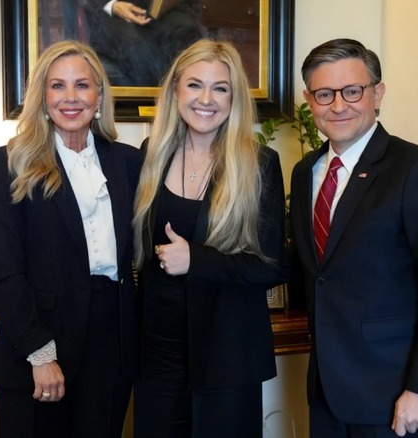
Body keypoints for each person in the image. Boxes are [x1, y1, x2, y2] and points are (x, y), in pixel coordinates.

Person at [287, 38, 418, 437]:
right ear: (309, 99)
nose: (338, 105)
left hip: (398, 394)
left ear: (377, 93)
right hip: (327, 392)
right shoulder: (306, 173)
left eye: (352, 91)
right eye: (324, 94)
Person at [0, 39, 143, 438]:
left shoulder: (127, 161)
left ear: (99, 95)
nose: (70, 98)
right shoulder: (13, 160)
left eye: (82, 85)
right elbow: (3, 269)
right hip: (39, 340)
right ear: (42, 96)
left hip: (111, 344)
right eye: (57, 86)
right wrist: (40, 353)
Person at [131, 39, 285, 438]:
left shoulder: (259, 163)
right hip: (157, 355)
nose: (207, 99)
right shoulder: (151, 155)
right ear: (176, 91)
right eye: (195, 85)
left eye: (221, 88)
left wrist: (195, 260)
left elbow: (271, 265)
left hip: (227, 356)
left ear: (234, 99)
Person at [82, 0, 207, 86]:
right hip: (113, 13)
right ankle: (147, 101)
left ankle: (180, 100)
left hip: (162, 12)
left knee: (187, 32)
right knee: (134, 43)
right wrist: (113, 5)